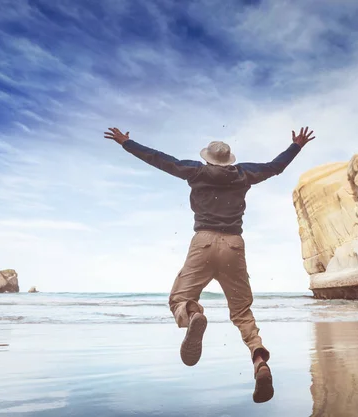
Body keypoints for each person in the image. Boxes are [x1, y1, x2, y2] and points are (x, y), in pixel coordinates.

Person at [104, 126, 315, 403]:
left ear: (208, 159)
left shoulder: (196, 171)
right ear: (228, 159)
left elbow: (160, 159)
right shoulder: (243, 174)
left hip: (202, 242)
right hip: (234, 245)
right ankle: (259, 359)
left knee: (179, 298)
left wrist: (127, 143)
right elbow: (275, 167)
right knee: (241, 311)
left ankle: (192, 313)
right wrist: (296, 146)